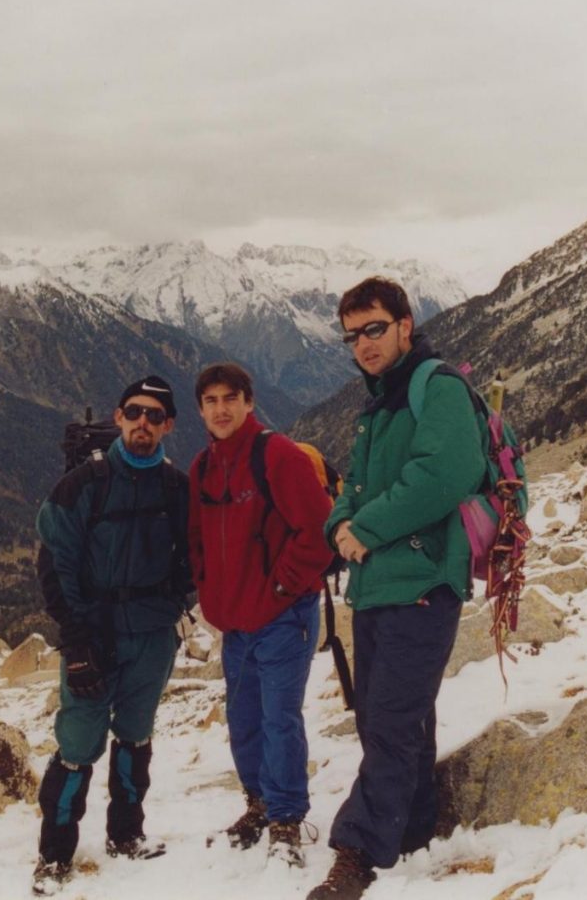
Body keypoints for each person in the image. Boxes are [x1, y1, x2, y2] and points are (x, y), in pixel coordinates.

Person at [307, 278, 486, 900]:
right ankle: (411, 826)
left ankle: (358, 851)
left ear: (405, 324)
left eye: (375, 328)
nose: (363, 344)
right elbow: (352, 485)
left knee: (387, 716)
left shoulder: (434, 385)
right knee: (396, 714)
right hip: (380, 584)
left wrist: (366, 529)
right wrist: (340, 527)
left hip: (424, 580)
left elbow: (445, 473)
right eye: (352, 335)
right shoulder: (378, 401)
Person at [32, 375, 192, 896]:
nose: (143, 422)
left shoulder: (177, 489)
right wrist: (76, 641)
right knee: (77, 743)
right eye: (134, 411)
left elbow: (195, 557)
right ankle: (55, 856)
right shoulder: (83, 484)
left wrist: (176, 606)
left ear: (168, 425)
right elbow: (55, 562)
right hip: (94, 633)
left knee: (136, 735)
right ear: (119, 417)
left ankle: (126, 835)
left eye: (154, 415)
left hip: (151, 634)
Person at [188, 362, 333, 868]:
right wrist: (210, 595)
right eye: (211, 401)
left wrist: (280, 587)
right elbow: (198, 541)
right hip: (235, 623)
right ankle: (260, 804)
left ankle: (287, 820)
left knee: (278, 720)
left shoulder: (278, 456)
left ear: (249, 402)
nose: (221, 409)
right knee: (244, 719)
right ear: (201, 409)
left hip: (282, 616)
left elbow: (319, 533)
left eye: (231, 398)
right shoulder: (203, 468)